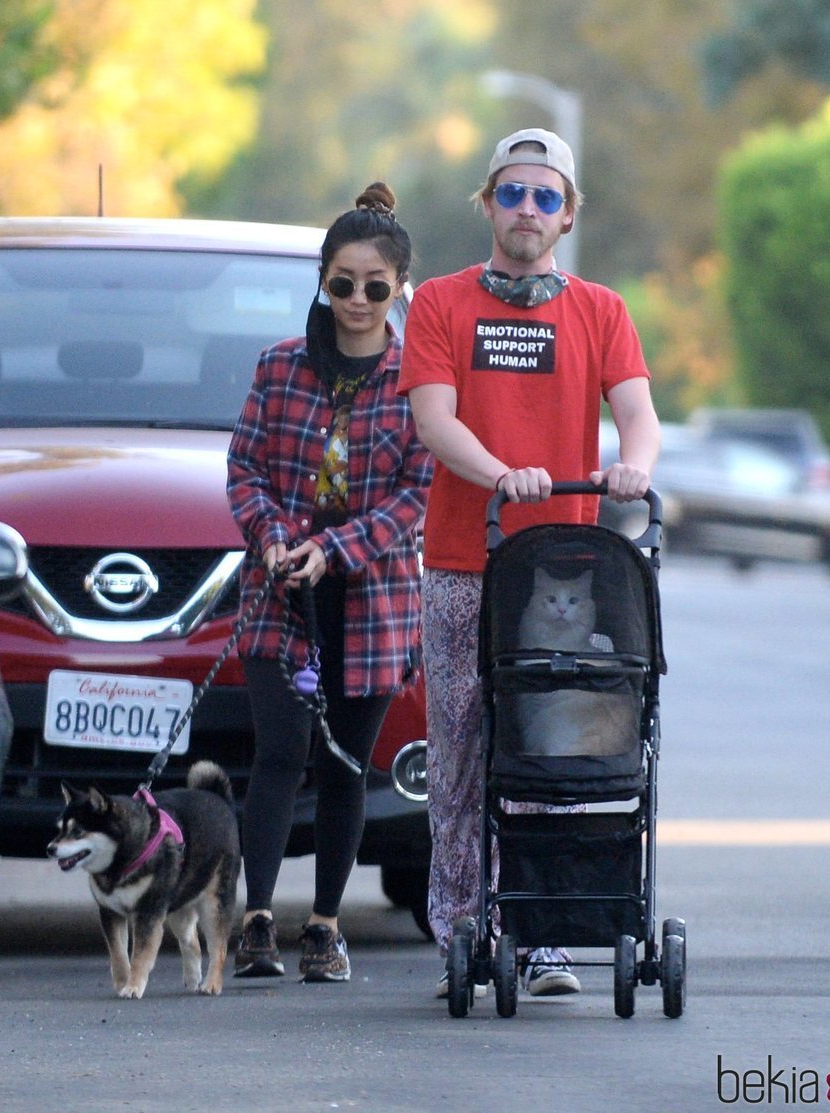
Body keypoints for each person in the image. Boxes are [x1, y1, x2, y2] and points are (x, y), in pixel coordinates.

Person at [397, 128, 661, 998]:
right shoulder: (440, 303)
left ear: (567, 214)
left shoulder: (600, 310)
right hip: (465, 564)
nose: (527, 210)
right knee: (462, 757)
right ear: (487, 203)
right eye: (512, 193)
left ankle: (542, 933)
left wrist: (636, 467)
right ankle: (462, 934)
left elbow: (638, 412)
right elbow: (435, 420)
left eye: (546, 197)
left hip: (561, 569)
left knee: (548, 754)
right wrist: (499, 472)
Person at [226, 183, 432, 983]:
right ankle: (256, 921)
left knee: (348, 764)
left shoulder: (418, 379)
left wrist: (336, 547)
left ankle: (324, 925)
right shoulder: (279, 366)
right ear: (322, 278)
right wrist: (276, 539)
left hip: (373, 601)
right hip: (280, 594)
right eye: (341, 283)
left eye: (374, 287)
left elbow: (419, 492)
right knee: (279, 752)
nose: (355, 300)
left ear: (398, 290)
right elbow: (244, 468)